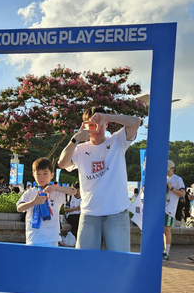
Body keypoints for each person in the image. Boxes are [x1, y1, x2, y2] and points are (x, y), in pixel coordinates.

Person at [58, 107, 141, 252]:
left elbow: (135, 122)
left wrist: (107, 116)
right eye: (91, 125)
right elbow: (62, 163)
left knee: (119, 262)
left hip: (117, 213)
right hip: (89, 215)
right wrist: (75, 139)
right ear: (84, 126)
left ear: (106, 124)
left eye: (99, 124)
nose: (95, 129)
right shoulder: (80, 149)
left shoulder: (117, 140)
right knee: (85, 263)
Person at [16, 158, 76, 246]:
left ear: (52, 175)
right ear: (34, 175)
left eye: (45, 173)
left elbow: (73, 191)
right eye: (38, 174)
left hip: (52, 237)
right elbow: (19, 208)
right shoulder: (30, 192)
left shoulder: (56, 193)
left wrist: (55, 188)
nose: (41, 177)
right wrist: (34, 202)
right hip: (33, 236)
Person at [164, 160, 185, 260]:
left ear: (173, 168)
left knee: (167, 230)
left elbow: (183, 194)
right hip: (160, 207)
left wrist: (171, 188)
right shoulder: (162, 177)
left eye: (168, 169)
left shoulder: (177, 179)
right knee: (161, 231)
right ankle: (162, 250)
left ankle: (167, 251)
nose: (166, 171)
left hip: (169, 208)